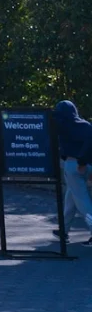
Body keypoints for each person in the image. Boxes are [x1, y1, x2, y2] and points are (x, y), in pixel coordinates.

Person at [52, 100, 92, 245]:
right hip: (88, 165)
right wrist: (85, 163)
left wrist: (80, 162)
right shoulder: (86, 126)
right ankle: (63, 230)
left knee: (82, 202)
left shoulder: (62, 126)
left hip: (73, 165)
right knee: (71, 198)